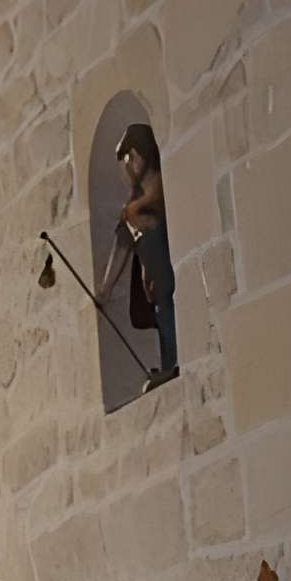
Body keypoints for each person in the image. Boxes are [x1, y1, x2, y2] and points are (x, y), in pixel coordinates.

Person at [113, 122, 179, 390]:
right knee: (162, 317)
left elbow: (156, 202)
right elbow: (126, 244)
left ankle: (172, 363)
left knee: (168, 315)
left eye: (130, 158)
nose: (128, 167)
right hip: (154, 279)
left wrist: (134, 209)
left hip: (166, 273)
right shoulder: (135, 203)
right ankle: (168, 364)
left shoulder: (157, 186)